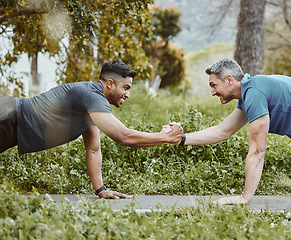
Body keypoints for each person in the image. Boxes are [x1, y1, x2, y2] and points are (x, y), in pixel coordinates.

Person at [176, 58, 291, 205]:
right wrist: (182, 139)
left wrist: (244, 198)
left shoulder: (254, 93)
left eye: (214, 85)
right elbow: (222, 131)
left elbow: (257, 151)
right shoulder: (251, 93)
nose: (213, 92)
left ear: (230, 79)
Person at [0, 60, 183, 199]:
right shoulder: (92, 96)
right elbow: (123, 136)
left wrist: (101, 190)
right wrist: (165, 137)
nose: (128, 94)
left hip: (11, 120)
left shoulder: (91, 102)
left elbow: (93, 149)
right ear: (110, 84)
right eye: (126, 87)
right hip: (8, 117)